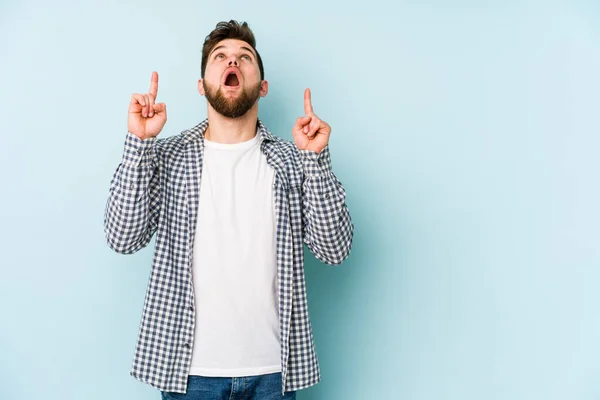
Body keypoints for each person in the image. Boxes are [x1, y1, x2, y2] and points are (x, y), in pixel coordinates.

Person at [104, 20, 354, 399]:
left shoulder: (293, 160)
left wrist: (315, 161)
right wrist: (139, 144)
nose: (231, 61)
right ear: (202, 85)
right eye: (219, 57)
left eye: (244, 57)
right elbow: (122, 237)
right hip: (188, 376)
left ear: (262, 85)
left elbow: (334, 249)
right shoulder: (168, 156)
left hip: (273, 374)